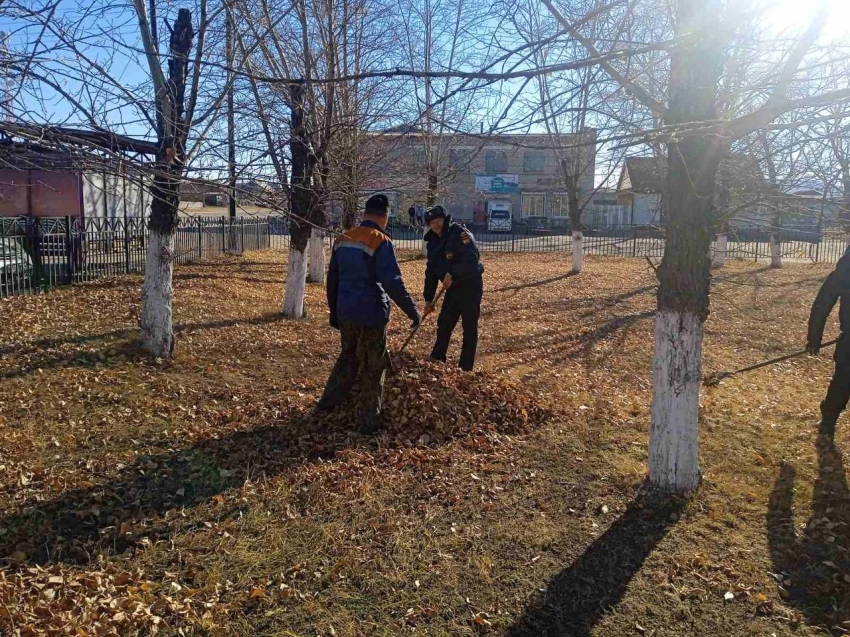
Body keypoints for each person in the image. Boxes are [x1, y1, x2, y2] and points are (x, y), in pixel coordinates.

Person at [317, 194, 421, 434]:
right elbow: (392, 281)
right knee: (374, 366)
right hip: (371, 314)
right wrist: (412, 311)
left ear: (365, 214)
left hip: (346, 311)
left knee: (348, 356)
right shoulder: (380, 241)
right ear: (384, 217)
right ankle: (369, 422)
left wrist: (334, 311)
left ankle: (329, 404)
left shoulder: (343, 239)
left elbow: (332, 279)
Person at [422, 205, 484, 371]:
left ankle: (465, 367)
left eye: (439, 220)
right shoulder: (432, 243)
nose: (436, 224)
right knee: (444, 323)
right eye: (432, 222)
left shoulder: (459, 233)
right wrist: (428, 298)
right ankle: (437, 357)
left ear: (445, 219)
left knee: (469, 327)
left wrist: (453, 272)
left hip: (470, 285)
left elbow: (472, 259)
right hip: (453, 289)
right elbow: (431, 272)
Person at [807, 245, 850, 437]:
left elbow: (822, 304)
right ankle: (828, 420)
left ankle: (828, 421)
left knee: (842, 382)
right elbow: (822, 304)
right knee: (842, 382)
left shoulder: (845, 268)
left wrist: (814, 339)